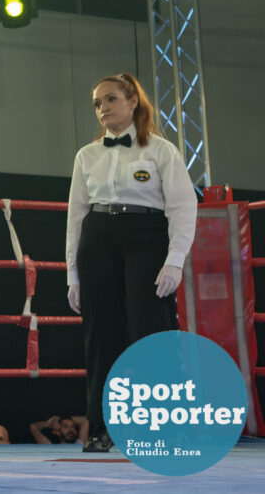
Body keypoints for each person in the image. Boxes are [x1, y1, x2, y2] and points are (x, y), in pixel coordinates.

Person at [66, 73, 197, 453]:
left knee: (151, 331)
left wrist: (174, 261)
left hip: (147, 236)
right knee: (101, 335)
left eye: (110, 99)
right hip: (99, 236)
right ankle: (103, 428)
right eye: (97, 103)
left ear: (132, 101)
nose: (102, 108)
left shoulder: (161, 151)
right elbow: (75, 216)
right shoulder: (86, 155)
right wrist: (73, 274)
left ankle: (163, 426)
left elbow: (183, 207)